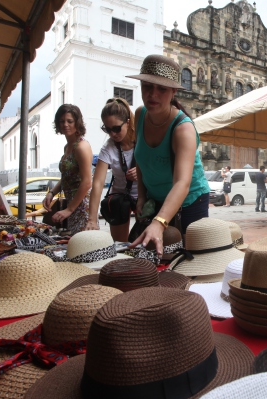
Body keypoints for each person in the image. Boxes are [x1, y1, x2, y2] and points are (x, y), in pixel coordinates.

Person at [128, 54, 210, 255]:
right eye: (147, 86)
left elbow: (182, 183)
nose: (152, 94)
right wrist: (142, 196)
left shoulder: (183, 130)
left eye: (162, 89)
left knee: (187, 260)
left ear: (173, 91)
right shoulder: (139, 115)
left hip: (190, 203)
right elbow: (141, 159)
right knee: (153, 258)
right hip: (157, 202)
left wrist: (159, 221)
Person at [86, 97, 137, 241]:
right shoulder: (108, 147)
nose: (112, 134)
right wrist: (92, 219)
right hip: (119, 198)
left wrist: (142, 172)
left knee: (143, 243)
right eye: (107, 129)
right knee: (120, 244)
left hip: (143, 196)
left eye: (116, 128)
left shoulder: (142, 139)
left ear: (127, 122)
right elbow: (98, 183)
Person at [43, 104, 93, 235]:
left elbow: (87, 182)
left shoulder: (82, 146)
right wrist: (52, 193)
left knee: (83, 244)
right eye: (62, 121)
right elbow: (67, 176)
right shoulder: (67, 147)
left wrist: (69, 209)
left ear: (77, 123)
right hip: (72, 204)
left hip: (82, 205)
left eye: (70, 121)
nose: (65, 124)